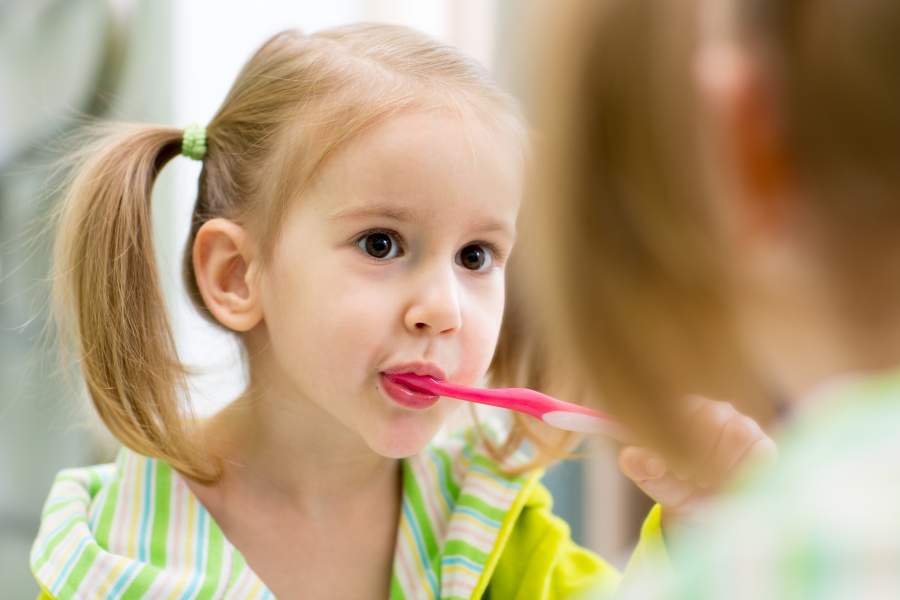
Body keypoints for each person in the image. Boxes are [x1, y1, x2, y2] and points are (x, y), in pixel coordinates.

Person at [30, 22, 769, 600]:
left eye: (476, 256)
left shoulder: (480, 523)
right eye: (381, 244)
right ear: (237, 274)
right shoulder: (110, 552)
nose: (443, 309)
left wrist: (696, 526)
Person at [530, 0, 900, 597]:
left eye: (477, 256)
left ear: (753, 136)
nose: (438, 312)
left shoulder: (762, 562)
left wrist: (749, 537)